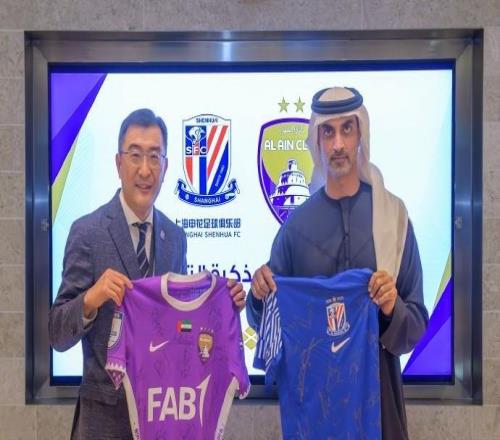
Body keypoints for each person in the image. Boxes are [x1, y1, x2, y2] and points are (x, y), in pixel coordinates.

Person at [49, 108, 246, 440]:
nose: (145, 169)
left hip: (164, 419)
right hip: (104, 425)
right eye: (135, 155)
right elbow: (57, 334)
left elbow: (181, 327)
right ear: (118, 163)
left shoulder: (175, 238)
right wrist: (91, 299)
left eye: (154, 157)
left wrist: (222, 306)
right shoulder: (87, 232)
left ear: (166, 167)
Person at [247, 87, 428, 440]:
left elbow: (416, 325)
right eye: (328, 132)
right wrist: (258, 293)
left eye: (347, 129)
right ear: (316, 140)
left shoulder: (394, 219)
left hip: (380, 409)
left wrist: (391, 308)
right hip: (315, 411)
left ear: (361, 134)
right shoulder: (295, 229)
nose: (338, 144)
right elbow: (268, 322)